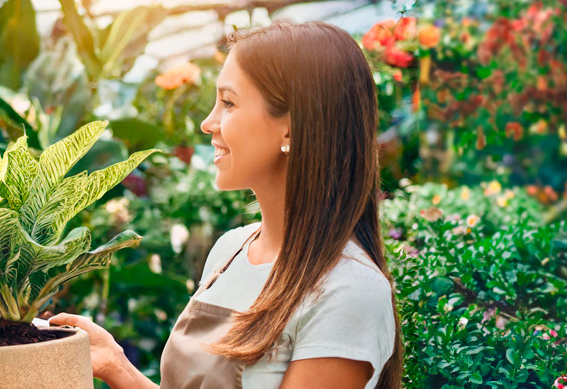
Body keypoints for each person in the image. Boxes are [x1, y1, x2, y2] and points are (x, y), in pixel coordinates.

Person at [50, 21, 404, 389]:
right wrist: (117, 366)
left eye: (229, 103)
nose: (208, 123)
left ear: (292, 126)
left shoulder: (348, 291)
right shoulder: (232, 249)